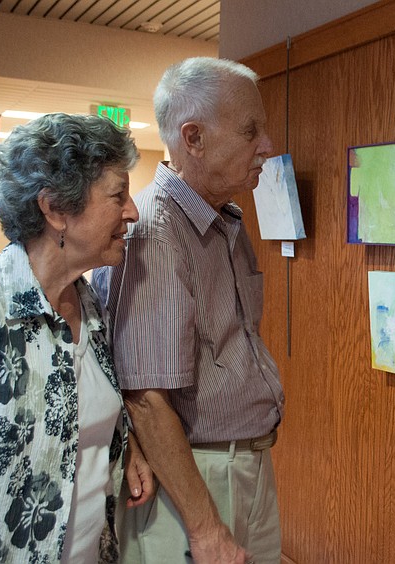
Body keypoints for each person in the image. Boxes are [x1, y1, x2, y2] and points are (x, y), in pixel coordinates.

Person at [93, 57, 285, 564]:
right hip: (196, 481)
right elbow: (146, 399)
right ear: (193, 138)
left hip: (247, 466)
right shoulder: (156, 232)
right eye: (251, 131)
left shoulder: (226, 222)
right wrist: (206, 529)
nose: (267, 145)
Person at [0, 113, 154, 563]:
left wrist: (124, 444)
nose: (133, 212)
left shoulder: (89, 303)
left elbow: (77, 420)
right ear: (55, 209)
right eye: (117, 195)